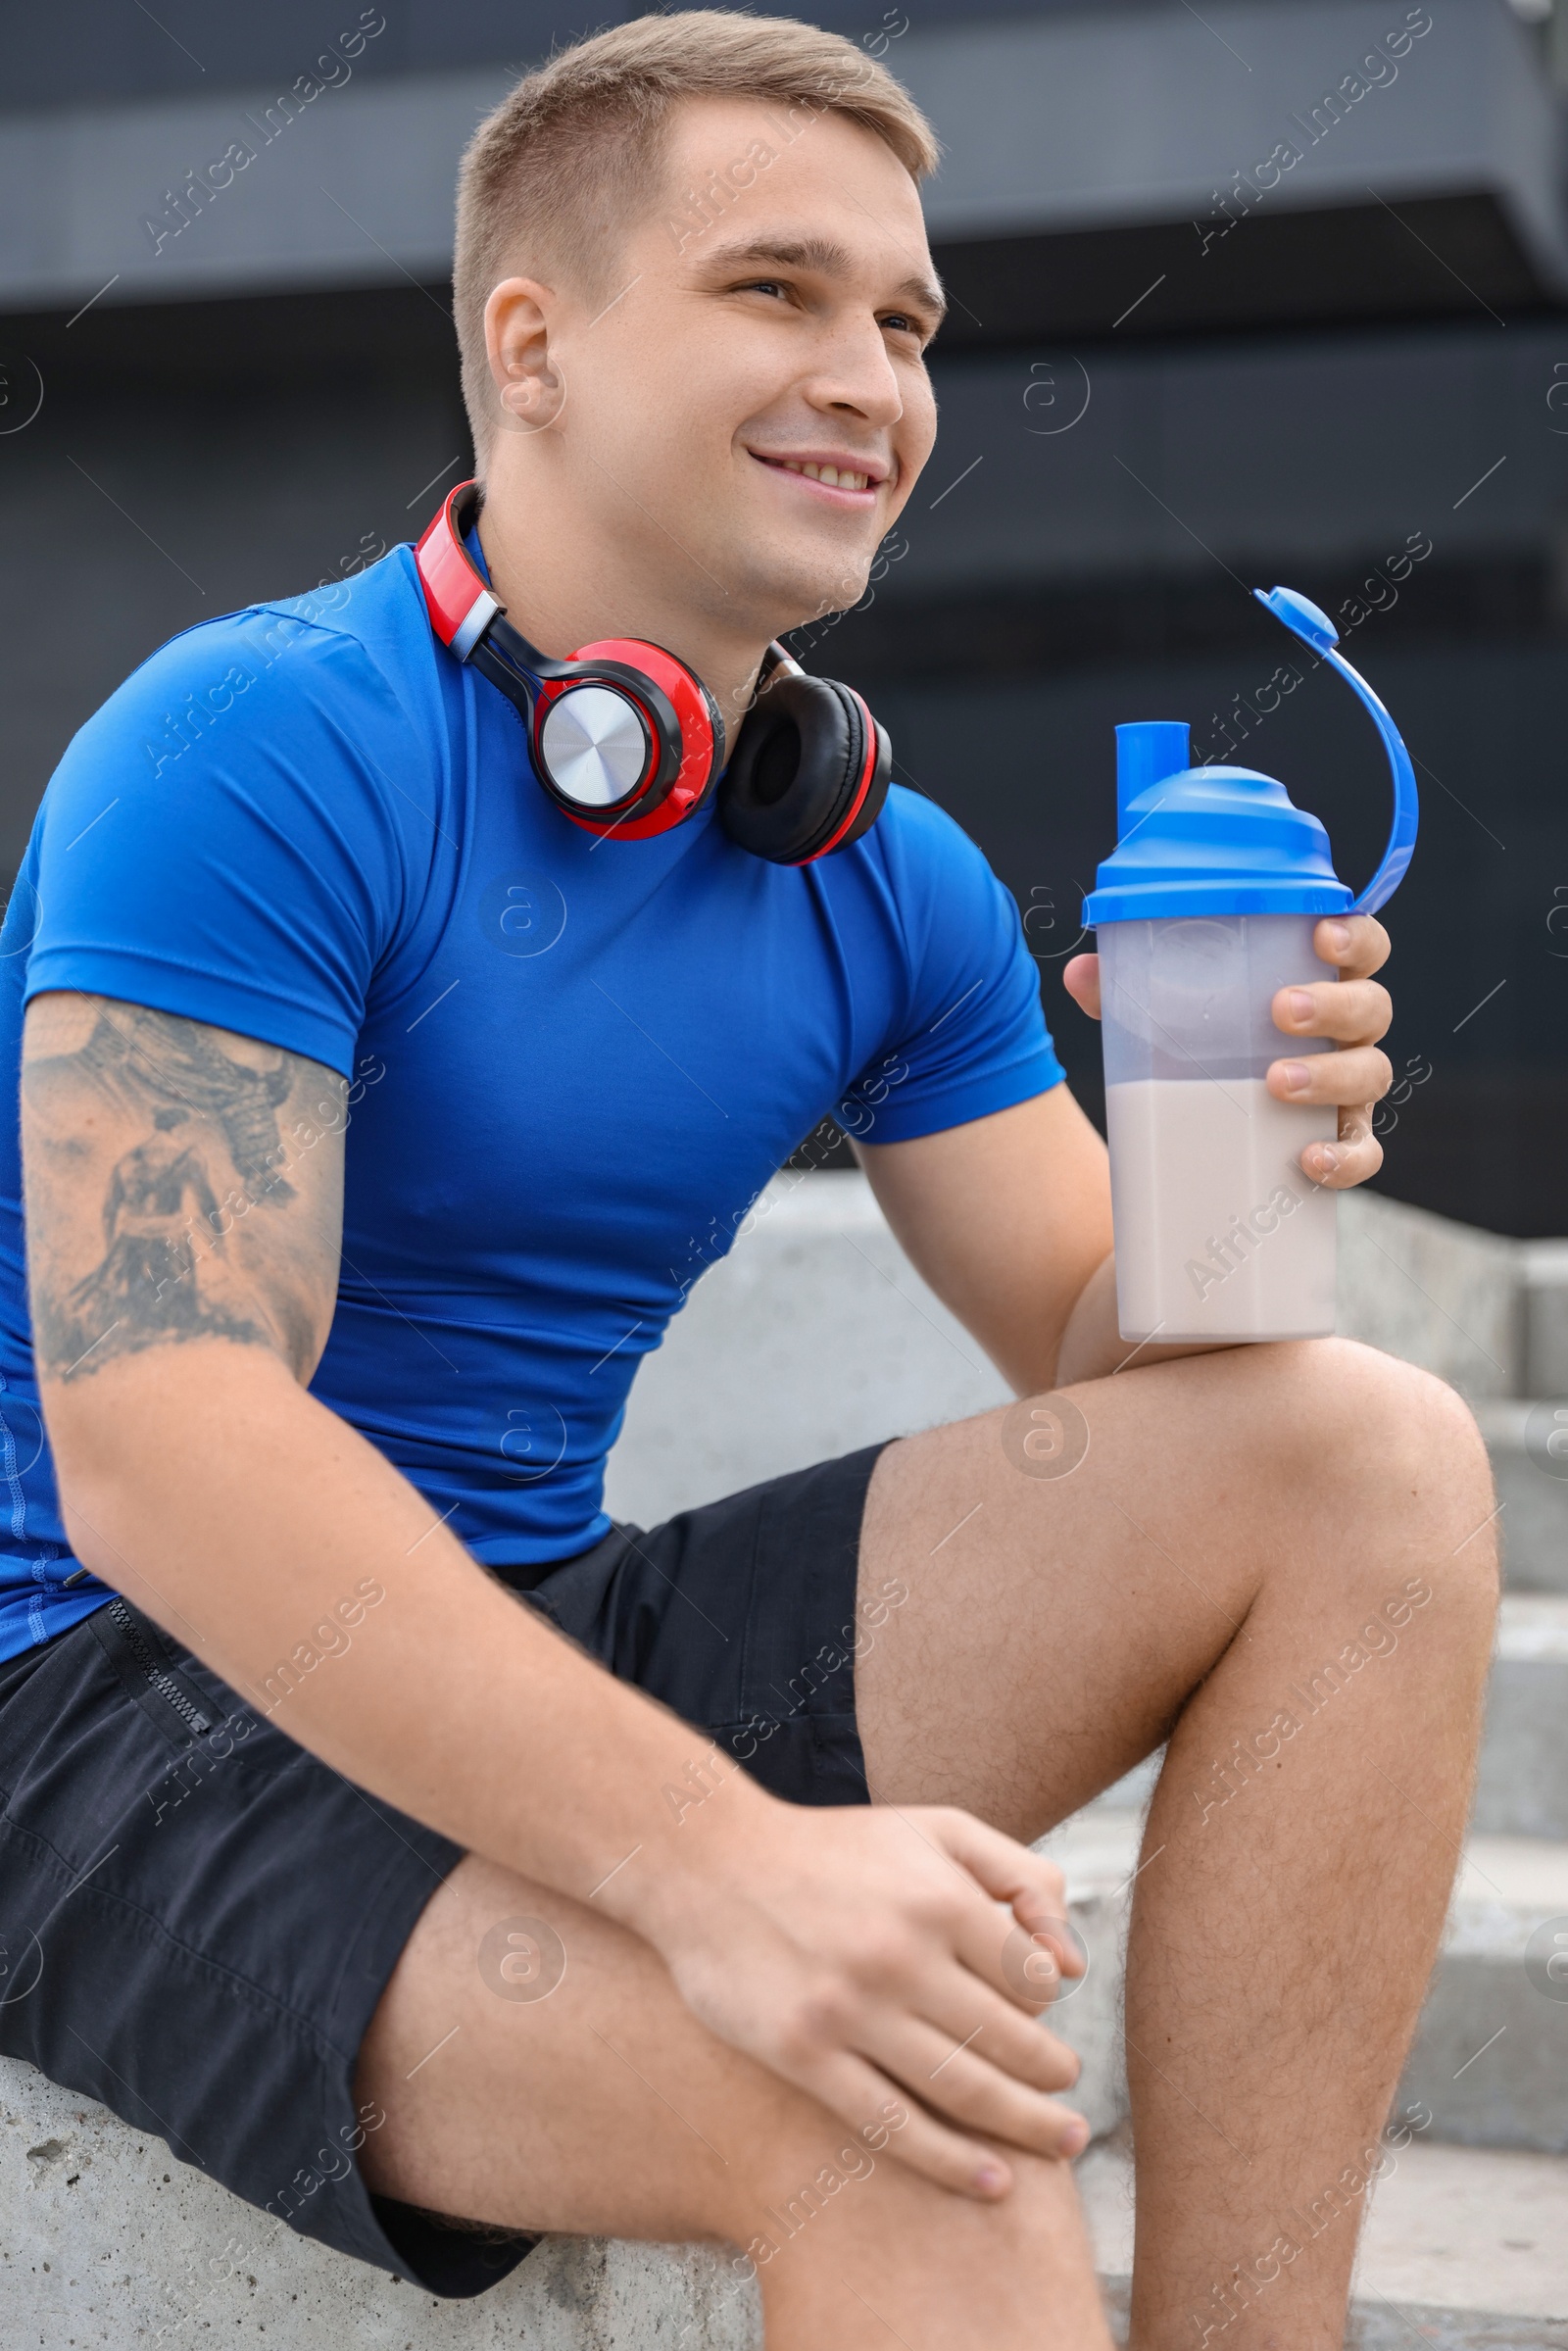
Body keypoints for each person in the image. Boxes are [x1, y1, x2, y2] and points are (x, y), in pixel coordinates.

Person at [0, 15, 1496, 2348]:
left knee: (1364, 1457)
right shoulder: (251, 744)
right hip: (113, 1715)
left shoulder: (872, 864)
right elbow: (162, 1444)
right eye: (775, 292)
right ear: (535, 343)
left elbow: (1123, 1367)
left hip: (539, 1623)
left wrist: (1249, 1167)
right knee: (905, 2092)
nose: (872, 379)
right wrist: (727, 1875)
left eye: (903, 321)